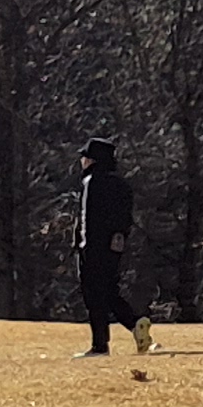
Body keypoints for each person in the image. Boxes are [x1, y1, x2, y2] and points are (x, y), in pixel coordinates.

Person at [74, 137, 154, 358]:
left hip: (92, 246)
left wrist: (82, 246)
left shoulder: (92, 182)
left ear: (92, 160)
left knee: (94, 296)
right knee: (108, 292)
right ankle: (135, 324)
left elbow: (87, 218)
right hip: (113, 247)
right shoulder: (121, 185)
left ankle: (100, 346)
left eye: (85, 157)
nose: (82, 161)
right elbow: (124, 219)